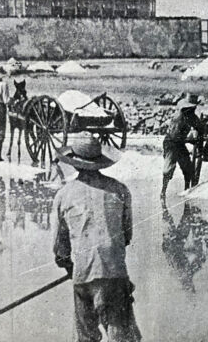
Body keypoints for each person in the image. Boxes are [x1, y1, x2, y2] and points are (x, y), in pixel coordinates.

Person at [53, 133, 141, 342]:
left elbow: (60, 250)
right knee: (122, 337)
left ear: (74, 164)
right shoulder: (120, 190)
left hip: (83, 277)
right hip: (115, 275)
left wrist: (72, 267)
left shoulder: (64, 195)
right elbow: (126, 236)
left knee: (86, 337)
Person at [160, 93, 205, 199]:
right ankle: (163, 191)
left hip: (179, 144)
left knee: (188, 168)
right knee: (168, 169)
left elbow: (200, 128)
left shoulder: (192, 117)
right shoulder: (179, 118)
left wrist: (199, 139)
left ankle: (186, 189)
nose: (192, 110)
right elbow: (176, 136)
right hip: (171, 143)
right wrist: (191, 141)